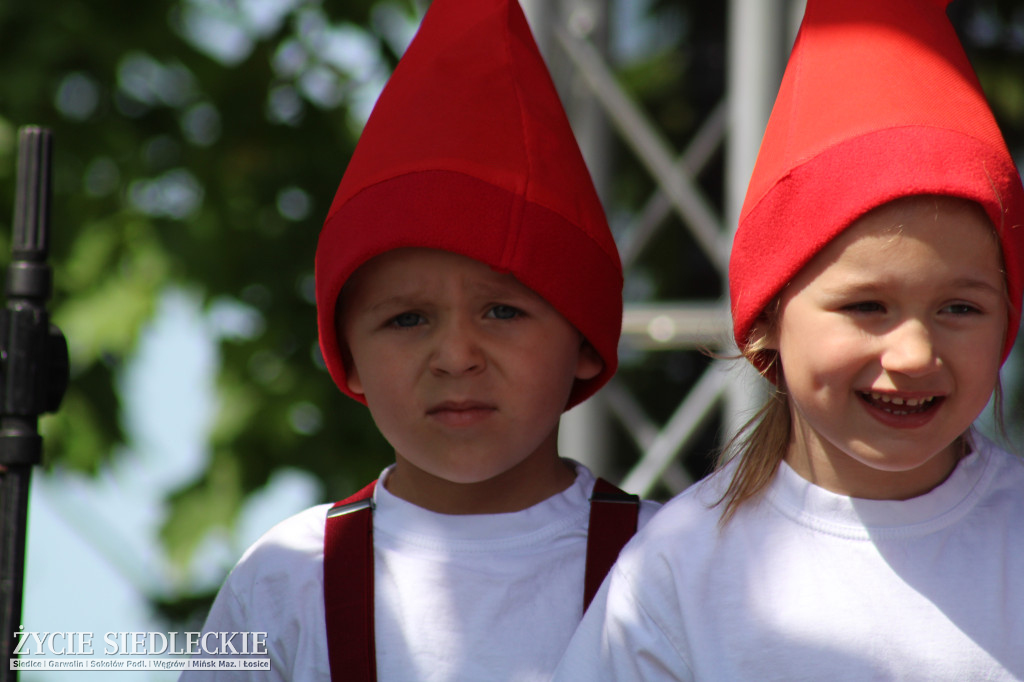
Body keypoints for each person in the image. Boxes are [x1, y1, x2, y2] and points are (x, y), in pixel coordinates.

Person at [180, 0, 658, 680]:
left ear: (585, 337)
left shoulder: (671, 562)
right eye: (407, 319)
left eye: (502, 312)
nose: (458, 355)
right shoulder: (288, 580)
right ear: (348, 360)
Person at [553, 0, 1024, 679]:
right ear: (768, 317)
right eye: (868, 306)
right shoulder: (680, 566)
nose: (916, 354)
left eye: (960, 307)